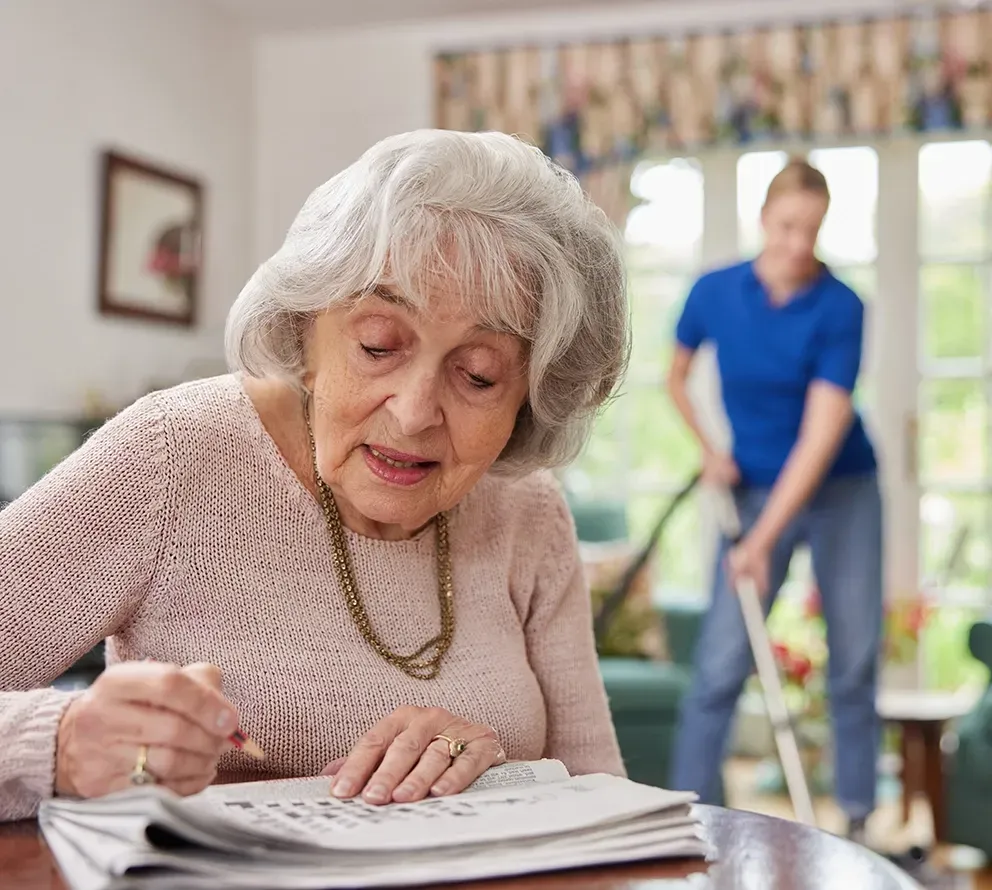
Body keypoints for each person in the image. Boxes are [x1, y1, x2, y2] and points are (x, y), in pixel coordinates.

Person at [0, 129, 630, 822]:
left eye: (478, 375)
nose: (416, 411)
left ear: (530, 398)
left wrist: (497, 770)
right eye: (378, 345)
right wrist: (57, 742)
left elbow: (603, 800)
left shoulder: (528, 513)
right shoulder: (172, 454)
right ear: (304, 332)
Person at [666, 157, 882, 841]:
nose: (798, 244)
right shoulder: (715, 292)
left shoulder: (841, 307)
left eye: (811, 230)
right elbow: (675, 376)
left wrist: (759, 544)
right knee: (720, 662)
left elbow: (820, 439)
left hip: (841, 488)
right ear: (764, 217)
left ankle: (857, 822)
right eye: (787, 226)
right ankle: (687, 818)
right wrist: (709, 447)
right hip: (753, 485)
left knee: (852, 656)